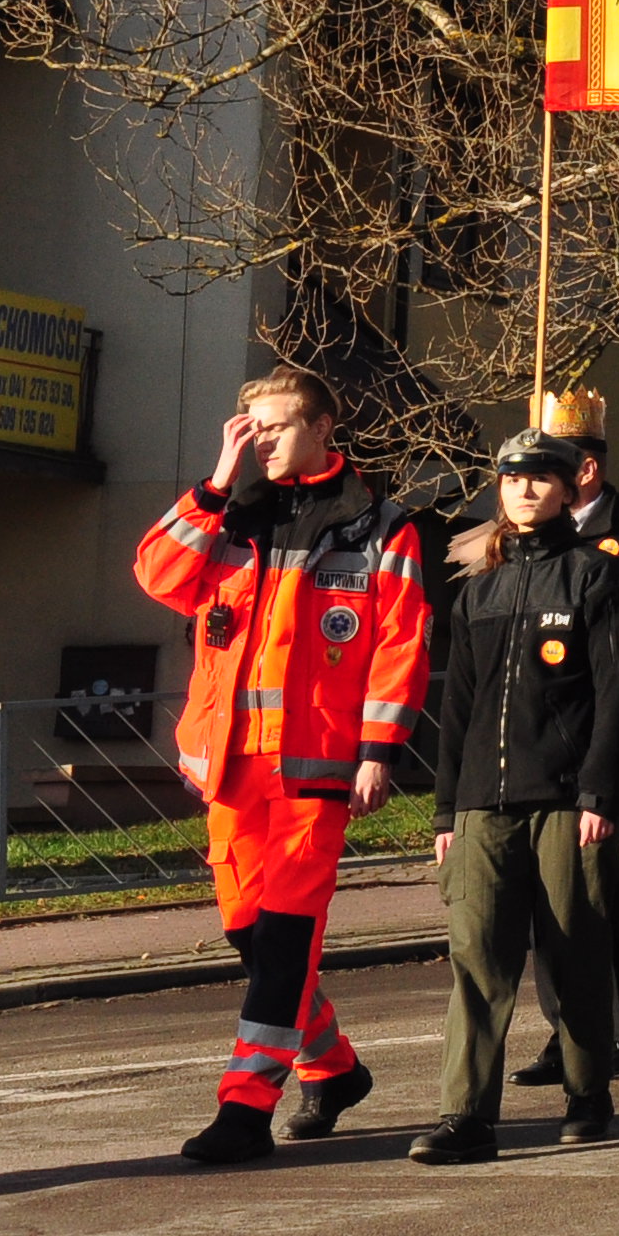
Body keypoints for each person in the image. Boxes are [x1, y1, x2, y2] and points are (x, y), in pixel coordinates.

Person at [134, 364, 432, 1166]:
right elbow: (158, 576)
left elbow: (399, 644)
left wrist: (377, 751)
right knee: (246, 934)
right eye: (248, 428)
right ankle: (332, 1069)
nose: (257, 440)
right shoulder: (229, 511)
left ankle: (244, 1108)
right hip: (230, 769)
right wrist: (216, 484)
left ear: (322, 429)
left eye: (272, 428)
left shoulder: (377, 525)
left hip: (315, 769)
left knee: (285, 943)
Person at [408, 428, 619, 1165]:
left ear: (572, 488)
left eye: (543, 477)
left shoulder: (596, 579)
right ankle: (466, 1116)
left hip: (569, 799)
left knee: (574, 949)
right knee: (477, 955)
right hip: (483, 801)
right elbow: (460, 714)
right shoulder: (480, 590)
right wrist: (448, 810)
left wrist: (604, 792)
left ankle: (586, 1088)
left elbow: (617, 697)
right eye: (513, 480)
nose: (526, 490)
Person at [517, 389, 619, 1082]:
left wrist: (564, 555)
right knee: (540, 902)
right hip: (531, 735)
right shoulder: (518, 529)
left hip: (601, 732)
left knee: (591, 894)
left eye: (546, 467)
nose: (529, 484)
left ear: (583, 470)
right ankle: (572, 1028)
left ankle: (604, 1028)